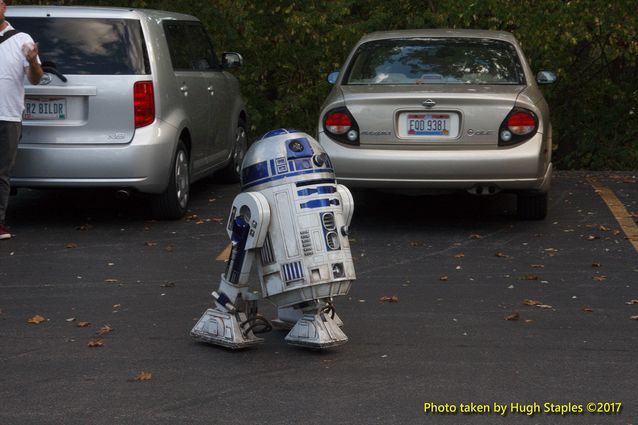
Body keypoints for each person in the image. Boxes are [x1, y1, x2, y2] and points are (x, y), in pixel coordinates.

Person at [0, 0, 43, 240]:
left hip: (7, 116)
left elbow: (36, 79)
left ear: (3, 7)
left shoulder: (21, 39)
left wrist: (34, 60)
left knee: (1, 173)